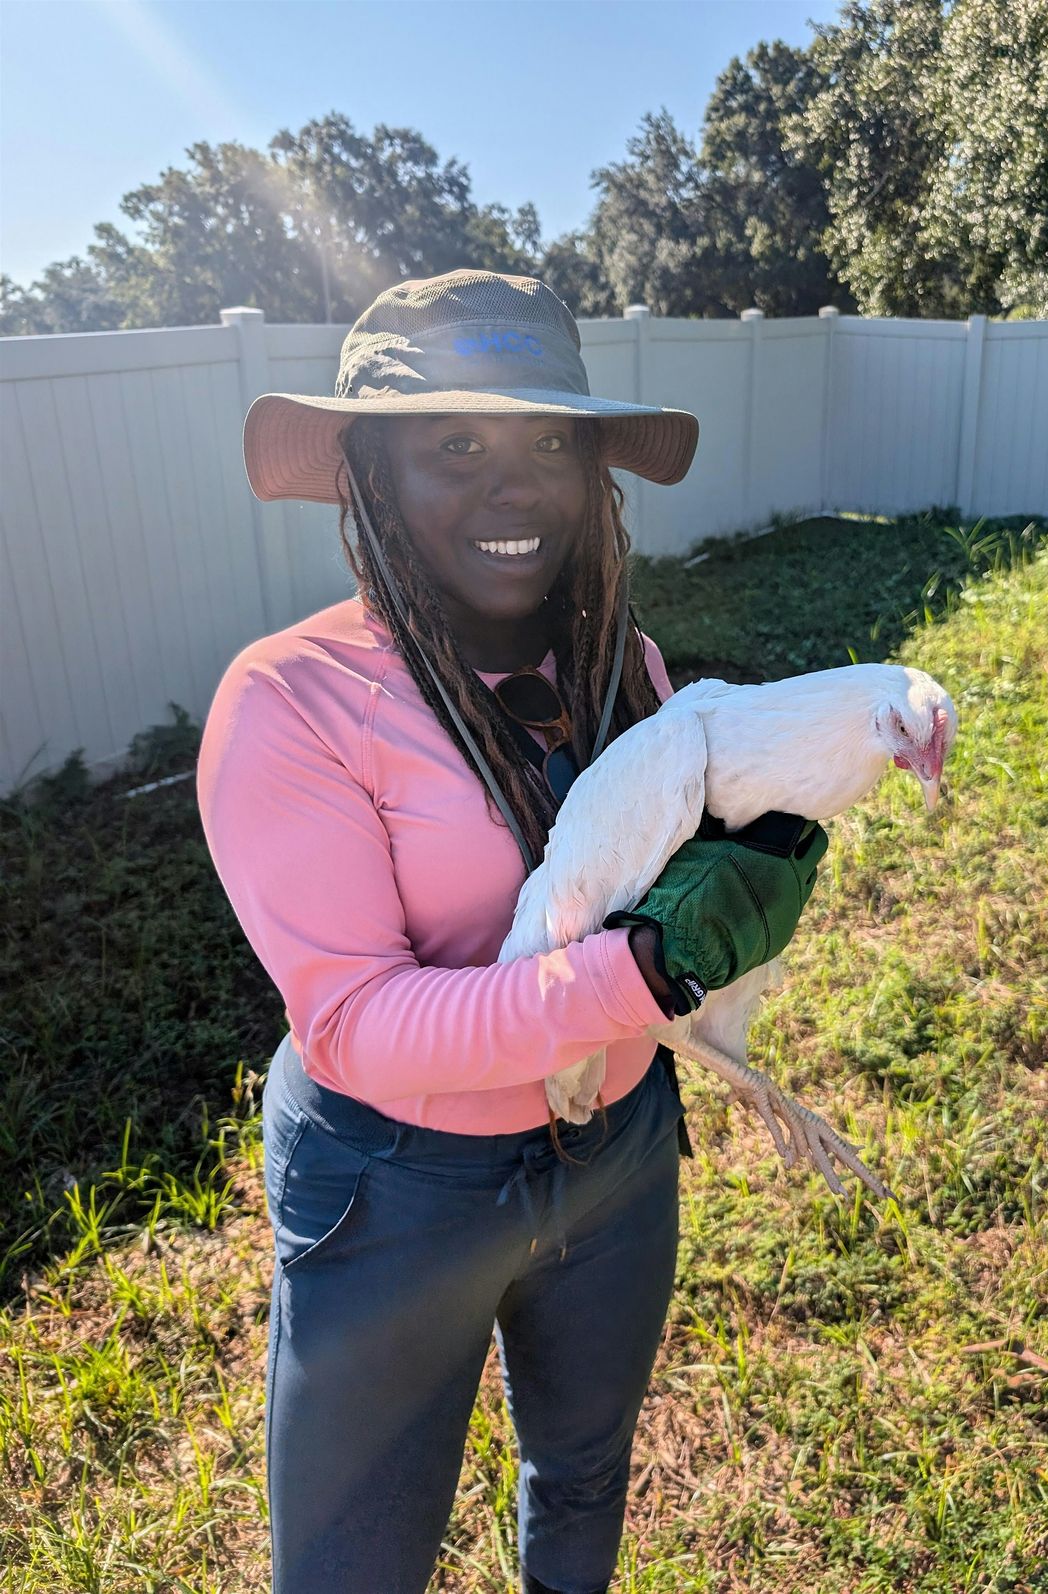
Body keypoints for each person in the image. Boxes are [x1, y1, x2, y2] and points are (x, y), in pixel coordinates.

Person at [196, 269, 827, 1594]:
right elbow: (360, 1024)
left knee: (585, 1474)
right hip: (396, 1190)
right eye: (456, 445)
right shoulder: (293, 702)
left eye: (550, 440)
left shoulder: (625, 668)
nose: (517, 483)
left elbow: (680, 868)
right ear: (370, 470)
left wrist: (755, 844)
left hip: (615, 1154)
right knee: (349, 1566)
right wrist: (637, 971)